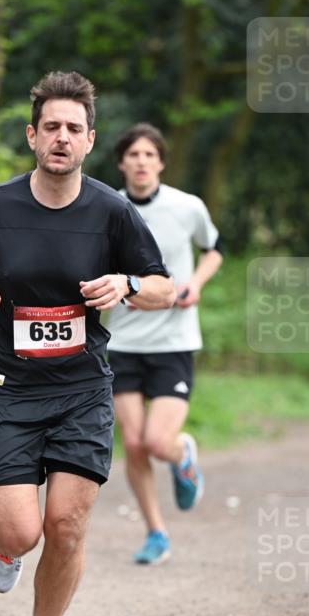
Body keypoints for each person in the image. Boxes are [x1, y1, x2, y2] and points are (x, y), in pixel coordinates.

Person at [0, 74, 174, 616]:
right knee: (20, 532)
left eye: (73, 128)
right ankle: (3, 547)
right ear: (31, 135)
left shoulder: (111, 210)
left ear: (90, 140)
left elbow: (163, 286)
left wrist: (126, 287)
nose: (61, 137)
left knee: (67, 525)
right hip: (8, 385)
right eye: (50, 126)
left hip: (81, 388)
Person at [107, 123, 223, 565]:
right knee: (134, 444)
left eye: (149, 155)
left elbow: (214, 247)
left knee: (157, 442)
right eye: (133, 155)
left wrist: (194, 282)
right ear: (121, 162)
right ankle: (156, 532)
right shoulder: (107, 207)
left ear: (161, 162)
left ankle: (182, 454)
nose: (141, 162)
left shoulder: (187, 206)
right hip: (123, 342)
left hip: (174, 341)